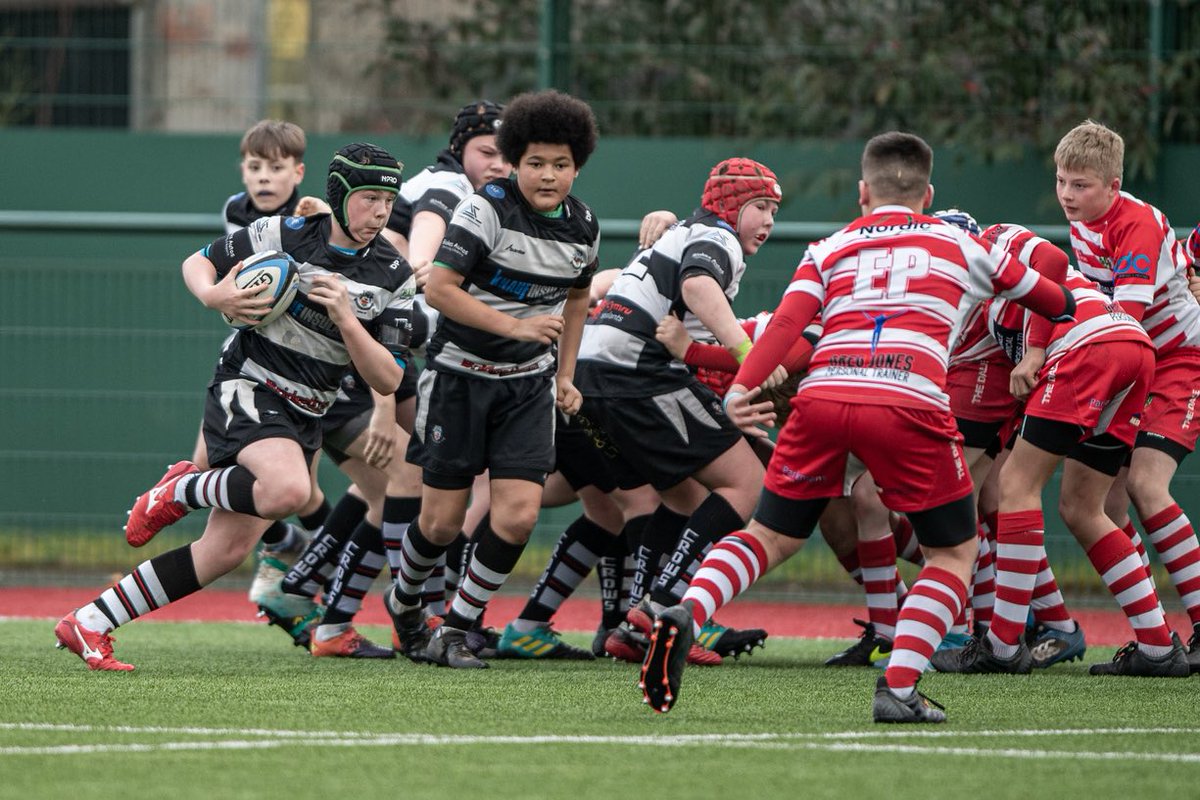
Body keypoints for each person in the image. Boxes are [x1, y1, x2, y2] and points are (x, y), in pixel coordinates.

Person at [639, 131, 1075, 722]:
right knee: (953, 552)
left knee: (769, 536)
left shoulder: (829, 247)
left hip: (821, 399)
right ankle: (899, 688)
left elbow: (783, 330)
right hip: (909, 401)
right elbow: (1055, 300)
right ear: (928, 195)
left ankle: (684, 610)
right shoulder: (961, 244)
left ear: (863, 192)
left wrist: (740, 391)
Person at [53, 143, 413, 670]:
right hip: (250, 385)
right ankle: (181, 489)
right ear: (339, 195)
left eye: (388, 200)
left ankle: (88, 622)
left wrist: (347, 320)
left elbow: (389, 376)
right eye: (369, 198)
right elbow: (198, 261)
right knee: (290, 490)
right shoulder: (284, 234)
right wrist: (213, 295)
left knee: (223, 552)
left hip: (309, 411)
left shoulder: (394, 274)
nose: (380, 212)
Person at [382, 89, 600, 669]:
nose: (548, 175)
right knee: (440, 523)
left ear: (577, 167)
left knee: (519, 515)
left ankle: (456, 627)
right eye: (536, 162)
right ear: (515, 161)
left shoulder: (584, 225)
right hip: (459, 377)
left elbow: (579, 298)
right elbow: (439, 289)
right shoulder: (484, 209)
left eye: (561, 164)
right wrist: (516, 326)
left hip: (527, 386)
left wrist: (566, 374)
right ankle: (404, 601)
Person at [931, 224, 1188, 677]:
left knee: (1015, 485)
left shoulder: (989, 242)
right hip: (1129, 348)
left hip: (1088, 346)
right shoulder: (965, 307)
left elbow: (1049, 261)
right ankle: (1157, 648)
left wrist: (1034, 351)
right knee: (1082, 507)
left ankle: (1003, 646)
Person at [572, 157, 784, 655]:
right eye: (760, 206)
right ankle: (660, 607)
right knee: (747, 481)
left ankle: (634, 626)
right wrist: (747, 354)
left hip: (592, 373)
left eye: (775, 211)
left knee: (681, 496)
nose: (769, 221)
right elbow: (697, 285)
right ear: (730, 205)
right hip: (634, 372)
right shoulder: (718, 237)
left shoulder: (684, 231)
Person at [1055, 121, 1200, 672]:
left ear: (1113, 185)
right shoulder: (1084, 219)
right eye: (1061, 181)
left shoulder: (1134, 222)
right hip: (1134, 362)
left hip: (1178, 361)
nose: (1067, 194)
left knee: (1144, 486)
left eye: (1081, 184)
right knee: (1103, 507)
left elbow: (1128, 322)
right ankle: (1157, 638)